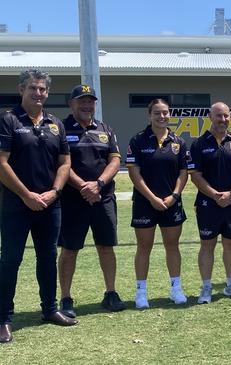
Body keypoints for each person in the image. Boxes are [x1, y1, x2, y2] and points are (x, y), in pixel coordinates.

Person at [0, 69, 77, 344]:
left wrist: (55, 191)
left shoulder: (56, 123)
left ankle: (50, 309)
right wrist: (26, 195)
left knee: (46, 258)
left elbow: (65, 163)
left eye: (43, 89)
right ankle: (3, 319)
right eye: (33, 88)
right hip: (15, 205)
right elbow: (2, 163)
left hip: (49, 204)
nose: (38, 93)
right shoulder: (8, 120)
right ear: (21, 90)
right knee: (10, 260)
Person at [57, 84, 125, 317]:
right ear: (71, 104)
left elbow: (115, 161)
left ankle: (111, 293)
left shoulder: (105, 129)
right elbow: (61, 164)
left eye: (91, 101)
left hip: (103, 198)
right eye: (82, 101)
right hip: (72, 200)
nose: (87, 105)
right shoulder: (60, 129)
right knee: (69, 249)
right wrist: (83, 186)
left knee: (106, 247)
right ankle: (65, 298)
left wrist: (99, 184)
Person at [126, 99, 189, 309]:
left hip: (171, 202)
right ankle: (141, 293)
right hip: (145, 203)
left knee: (172, 246)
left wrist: (174, 196)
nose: (162, 117)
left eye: (165, 113)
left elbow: (183, 172)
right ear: (149, 115)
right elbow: (134, 173)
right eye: (157, 113)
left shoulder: (178, 141)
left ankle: (176, 289)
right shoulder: (138, 140)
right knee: (144, 247)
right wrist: (152, 198)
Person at [188, 101, 231, 304]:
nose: (223, 120)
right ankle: (206, 288)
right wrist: (215, 195)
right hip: (208, 203)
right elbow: (195, 175)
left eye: (226, 116)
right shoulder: (198, 144)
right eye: (219, 116)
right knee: (207, 245)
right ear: (210, 117)